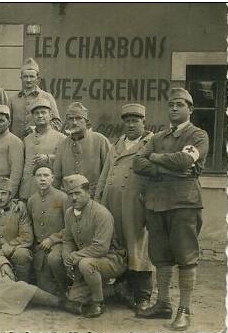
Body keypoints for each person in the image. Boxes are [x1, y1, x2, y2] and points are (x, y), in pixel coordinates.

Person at [133, 88, 209, 331]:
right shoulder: (158, 137)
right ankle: (163, 303)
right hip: (156, 203)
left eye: (180, 104)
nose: (174, 108)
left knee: (186, 257)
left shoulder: (198, 135)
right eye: (171, 105)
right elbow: (137, 163)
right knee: (160, 256)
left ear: (190, 109)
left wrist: (154, 159)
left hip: (184, 204)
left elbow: (185, 161)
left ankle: (184, 309)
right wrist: (163, 165)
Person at [95, 103, 154, 313]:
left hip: (136, 206)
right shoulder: (117, 144)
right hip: (113, 205)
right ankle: (123, 288)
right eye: (127, 121)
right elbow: (105, 175)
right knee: (118, 246)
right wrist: (99, 200)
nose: (130, 125)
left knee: (139, 247)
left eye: (135, 121)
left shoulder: (150, 143)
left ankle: (142, 296)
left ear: (143, 122)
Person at [62, 174, 127, 318]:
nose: (73, 198)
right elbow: (67, 239)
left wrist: (76, 256)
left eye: (78, 193)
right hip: (89, 260)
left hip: (111, 259)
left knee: (86, 264)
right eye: (70, 194)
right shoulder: (69, 213)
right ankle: (113, 289)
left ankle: (99, 302)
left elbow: (101, 247)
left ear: (88, 193)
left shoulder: (100, 213)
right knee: (74, 298)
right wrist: (66, 257)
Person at [0, 177, 33, 282]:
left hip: (15, 251)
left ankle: (22, 285)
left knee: (22, 254)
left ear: (10, 195)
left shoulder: (19, 210)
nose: (0, 197)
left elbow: (27, 237)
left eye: (3, 193)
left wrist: (10, 247)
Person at [52, 102, 110, 198]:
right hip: (69, 197)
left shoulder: (100, 140)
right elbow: (57, 177)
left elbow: (108, 172)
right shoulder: (62, 144)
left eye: (78, 118)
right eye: (71, 119)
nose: (74, 122)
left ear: (86, 121)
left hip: (93, 197)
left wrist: (100, 196)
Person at [27, 165, 69, 296]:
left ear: (52, 178)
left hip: (59, 244)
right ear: (34, 179)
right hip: (40, 247)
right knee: (46, 290)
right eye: (39, 176)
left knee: (54, 259)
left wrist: (53, 239)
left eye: (46, 175)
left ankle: (66, 287)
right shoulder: (32, 200)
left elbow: (71, 226)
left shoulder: (63, 198)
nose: (42, 179)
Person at [19, 98, 66, 200]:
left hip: (50, 190)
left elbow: (66, 161)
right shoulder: (27, 139)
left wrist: (49, 158)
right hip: (28, 190)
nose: (40, 116)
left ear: (50, 115)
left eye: (43, 112)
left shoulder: (61, 138)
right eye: (36, 113)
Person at [9, 57, 61, 139]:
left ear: (38, 79)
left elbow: (57, 124)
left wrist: (37, 128)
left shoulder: (47, 97)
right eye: (25, 77)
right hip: (17, 144)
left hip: (39, 143)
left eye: (32, 76)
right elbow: (7, 124)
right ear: (21, 78)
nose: (28, 80)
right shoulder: (13, 99)